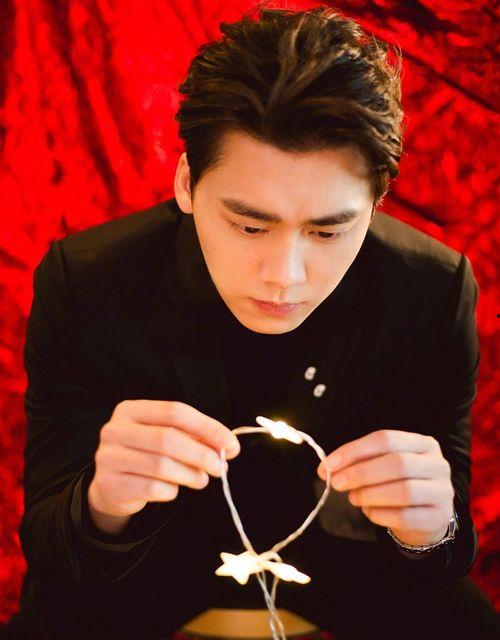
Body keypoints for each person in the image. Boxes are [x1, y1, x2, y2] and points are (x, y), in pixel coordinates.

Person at [2, 5, 498, 640]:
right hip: (146, 579)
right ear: (187, 183)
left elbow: (444, 557)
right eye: (249, 225)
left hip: (353, 582)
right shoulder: (88, 281)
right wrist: (102, 505)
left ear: (376, 204)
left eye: (328, 231)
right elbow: (50, 547)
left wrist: (431, 531)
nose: (284, 276)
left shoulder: (433, 290)